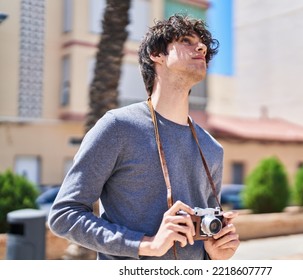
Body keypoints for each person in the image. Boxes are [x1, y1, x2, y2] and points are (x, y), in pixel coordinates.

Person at [48, 14, 240, 260]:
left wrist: (214, 253)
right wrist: (145, 244)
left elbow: (205, 232)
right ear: (156, 54)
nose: (200, 47)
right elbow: (64, 215)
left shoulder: (212, 148)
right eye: (186, 40)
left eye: (202, 44)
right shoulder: (118, 127)